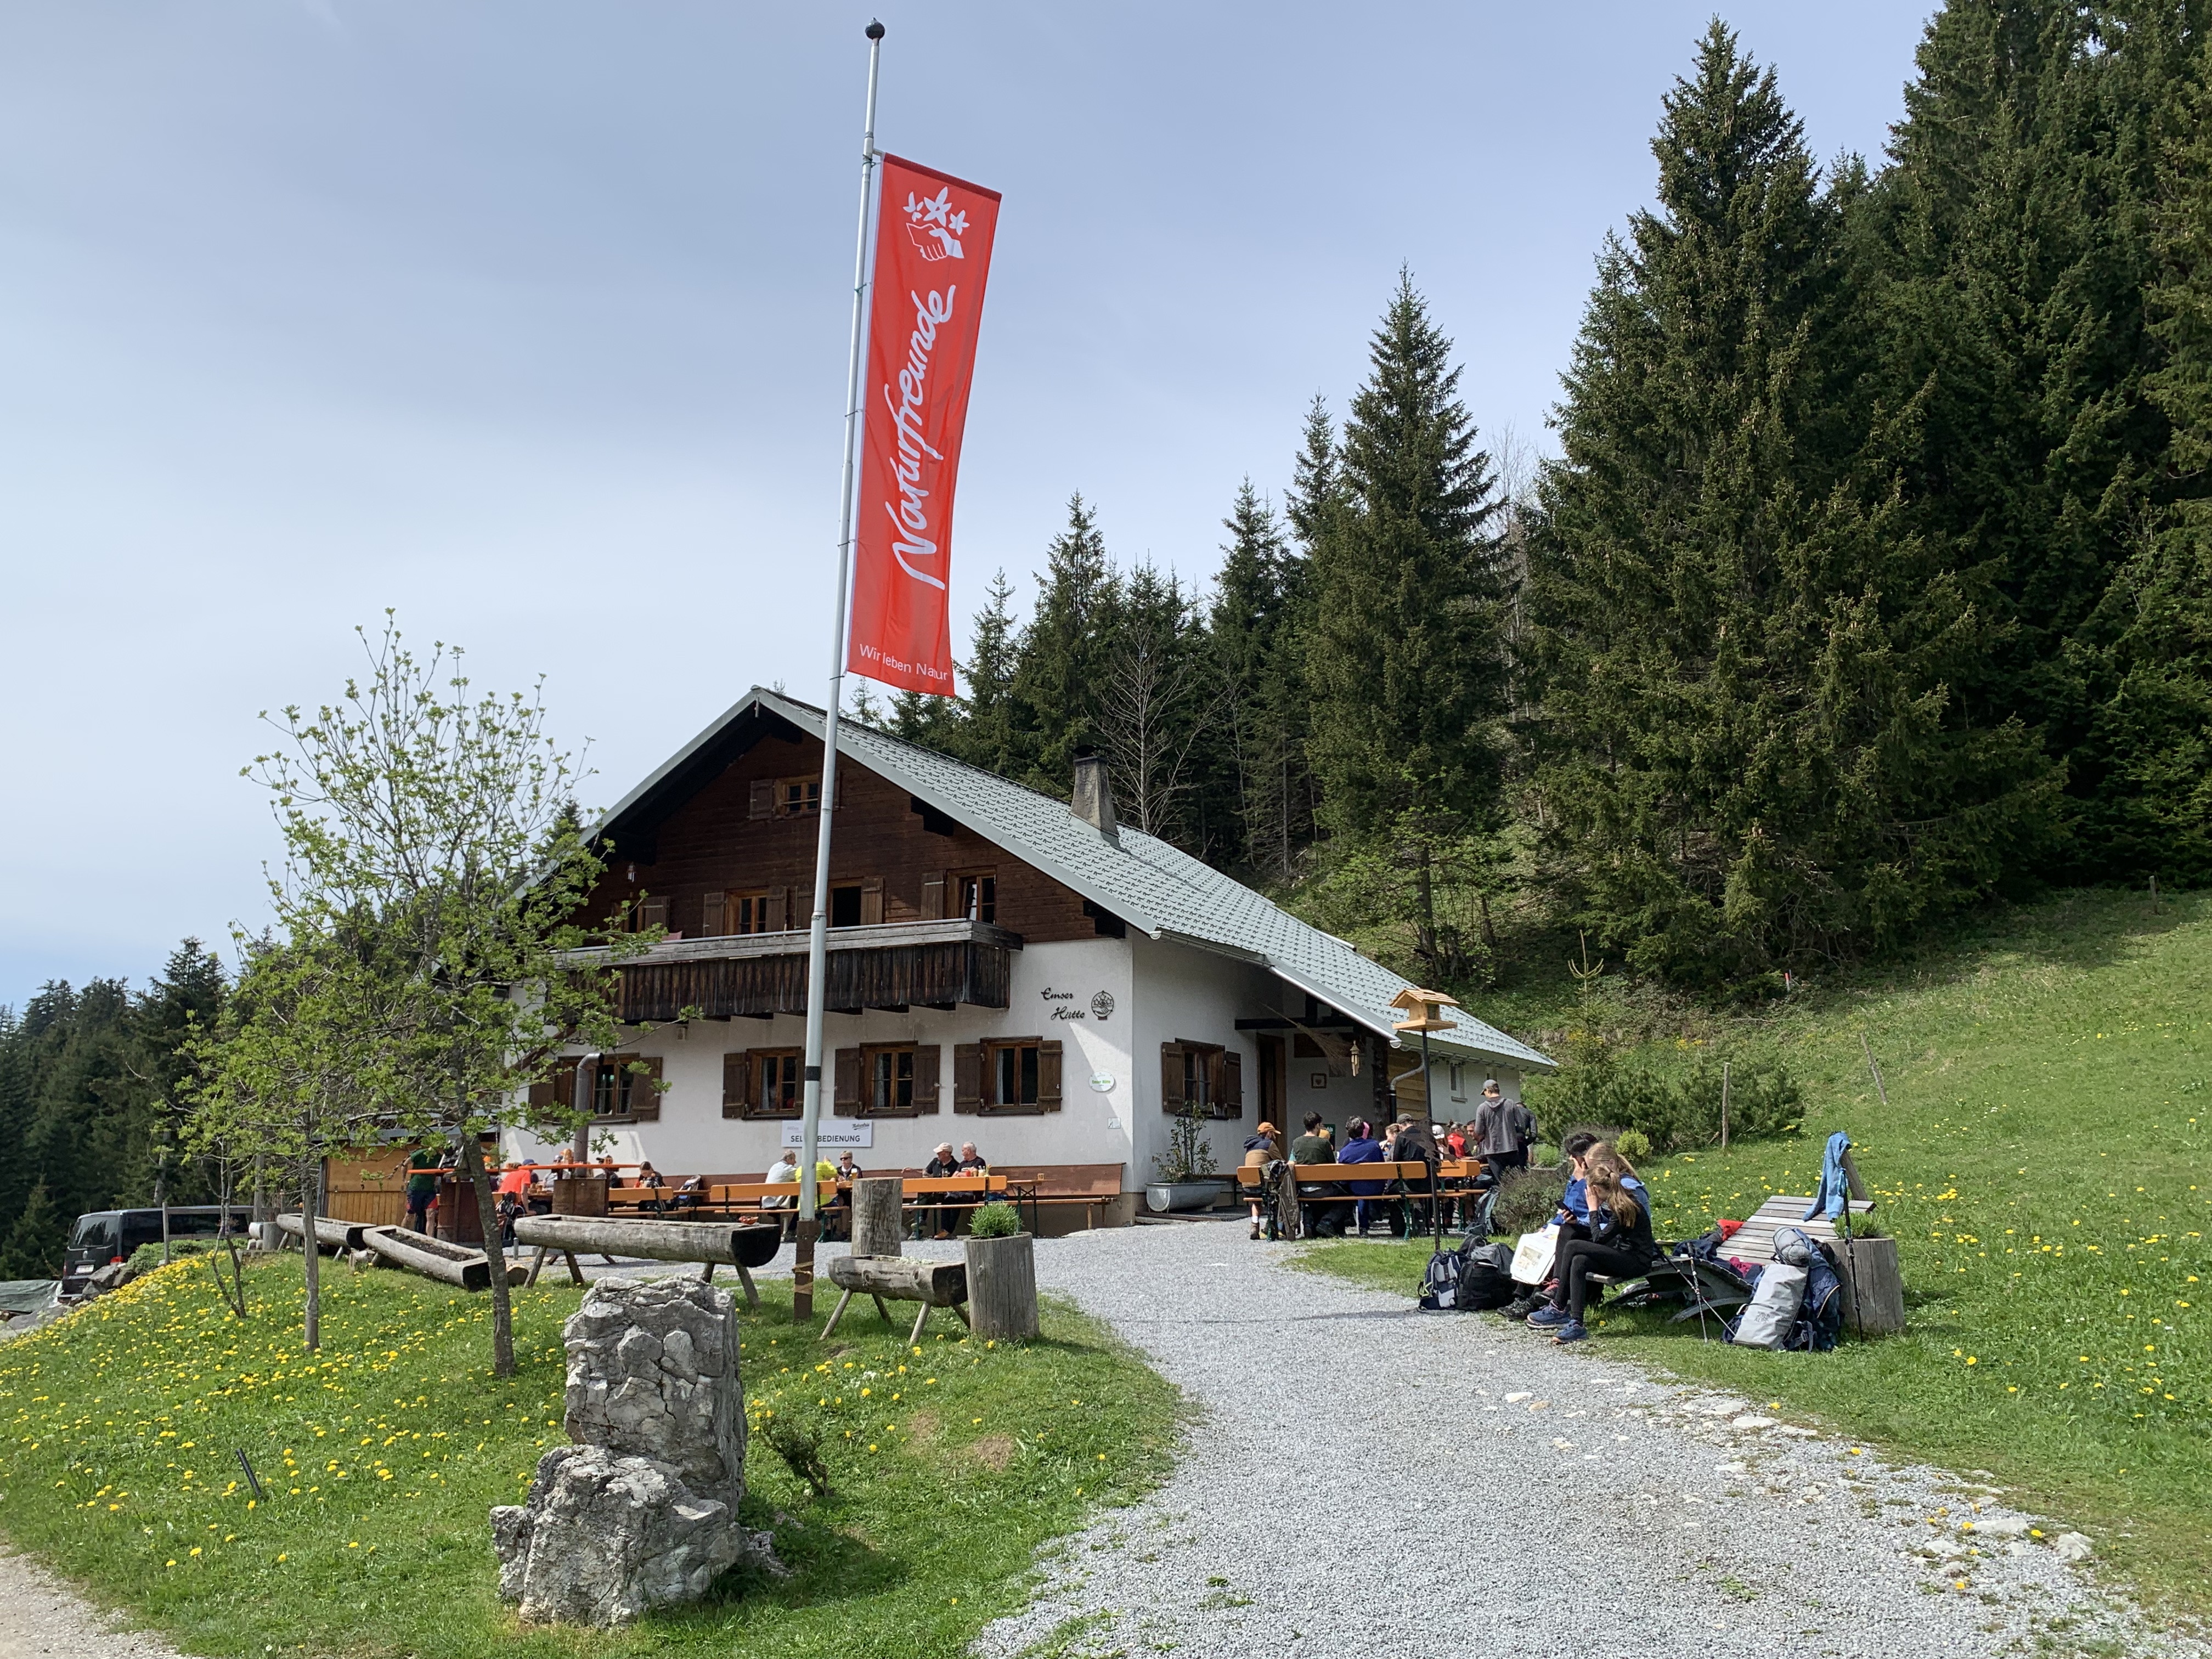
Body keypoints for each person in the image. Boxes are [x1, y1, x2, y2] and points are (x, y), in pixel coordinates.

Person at [1529, 1142, 1661, 1343]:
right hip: (1623, 1253)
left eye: (1591, 1192)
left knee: (1574, 1246)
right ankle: (1576, 1323)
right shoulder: (1616, 1200)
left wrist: (1592, 1210)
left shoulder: (1624, 1205)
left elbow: (1600, 1238)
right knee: (1580, 1260)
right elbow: (1603, 1236)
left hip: (1637, 1261)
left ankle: (1558, 1306)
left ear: (1597, 1189)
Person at [1504, 1130, 1601, 1322]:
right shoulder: (1575, 1180)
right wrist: (1549, 1225)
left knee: (1552, 1249)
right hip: (1567, 1226)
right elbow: (1565, 1209)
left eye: (1573, 1156)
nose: (1571, 1160)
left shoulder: (1594, 1182)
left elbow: (1592, 1215)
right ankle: (1521, 1296)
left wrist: (1582, 1181)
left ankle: (1536, 1300)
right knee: (1533, 1243)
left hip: (1582, 1229)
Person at [1289, 1112, 1346, 1238]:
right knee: (1345, 1198)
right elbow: (1332, 1167)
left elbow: (1291, 1163)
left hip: (1303, 1190)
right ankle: (1326, 1221)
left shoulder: (1296, 1142)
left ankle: (1308, 1223)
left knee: (1309, 1202)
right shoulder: (1324, 1144)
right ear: (1317, 1125)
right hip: (1323, 1189)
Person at [1472, 1080, 1536, 1175]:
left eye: (1484, 1092)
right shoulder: (1510, 1104)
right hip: (1511, 1149)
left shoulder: (1482, 1108)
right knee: (1513, 1179)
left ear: (1488, 1091)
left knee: (1499, 1180)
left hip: (1492, 1151)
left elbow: (1478, 1131)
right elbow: (1521, 1125)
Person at [1338, 1119, 1387, 1236]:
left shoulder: (1345, 1151)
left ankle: (1359, 1226)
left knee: (1357, 1187)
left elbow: (1342, 1179)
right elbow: (1382, 1165)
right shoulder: (1374, 1146)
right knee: (1364, 1186)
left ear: (1348, 1133)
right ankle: (1371, 1220)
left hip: (1356, 1189)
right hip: (1377, 1187)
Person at [1241, 1121, 1280, 1240]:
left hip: (1247, 1187)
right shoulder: (1269, 1144)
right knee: (1278, 1195)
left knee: (1256, 1202)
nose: (1274, 1136)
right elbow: (1280, 1162)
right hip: (1262, 1186)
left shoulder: (1250, 1146)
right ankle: (1270, 1226)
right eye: (1273, 1133)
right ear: (1269, 1134)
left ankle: (1254, 1226)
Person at [925, 1142, 963, 1239]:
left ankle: (946, 1231)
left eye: (940, 1153)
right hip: (935, 1193)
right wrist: (913, 1172)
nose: (937, 1155)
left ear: (946, 1154)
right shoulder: (935, 1162)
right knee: (923, 1197)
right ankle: (920, 1224)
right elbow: (926, 1174)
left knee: (950, 1201)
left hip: (949, 1193)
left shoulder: (956, 1166)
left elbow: (958, 1183)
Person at [404, 1146, 439, 1234]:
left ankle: (430, 1239)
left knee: (431, 1214)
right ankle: (402, 1234)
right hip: (415, 1189)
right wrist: (404, 1179)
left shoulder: (439, 1156)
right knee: (410, 1214)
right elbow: (405, 1163)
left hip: (430, 1190)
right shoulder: (420, 1153)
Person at [764, 1150, 799, 1237]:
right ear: (789, 1159)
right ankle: (791, 1232)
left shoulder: (774, 1167)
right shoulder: (788, 1169)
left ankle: (776, 1235)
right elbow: (800, 1175)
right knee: (802, 1206)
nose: (795, 1162)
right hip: (777, 1202)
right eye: (794, 1159)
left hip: (767, 1201)